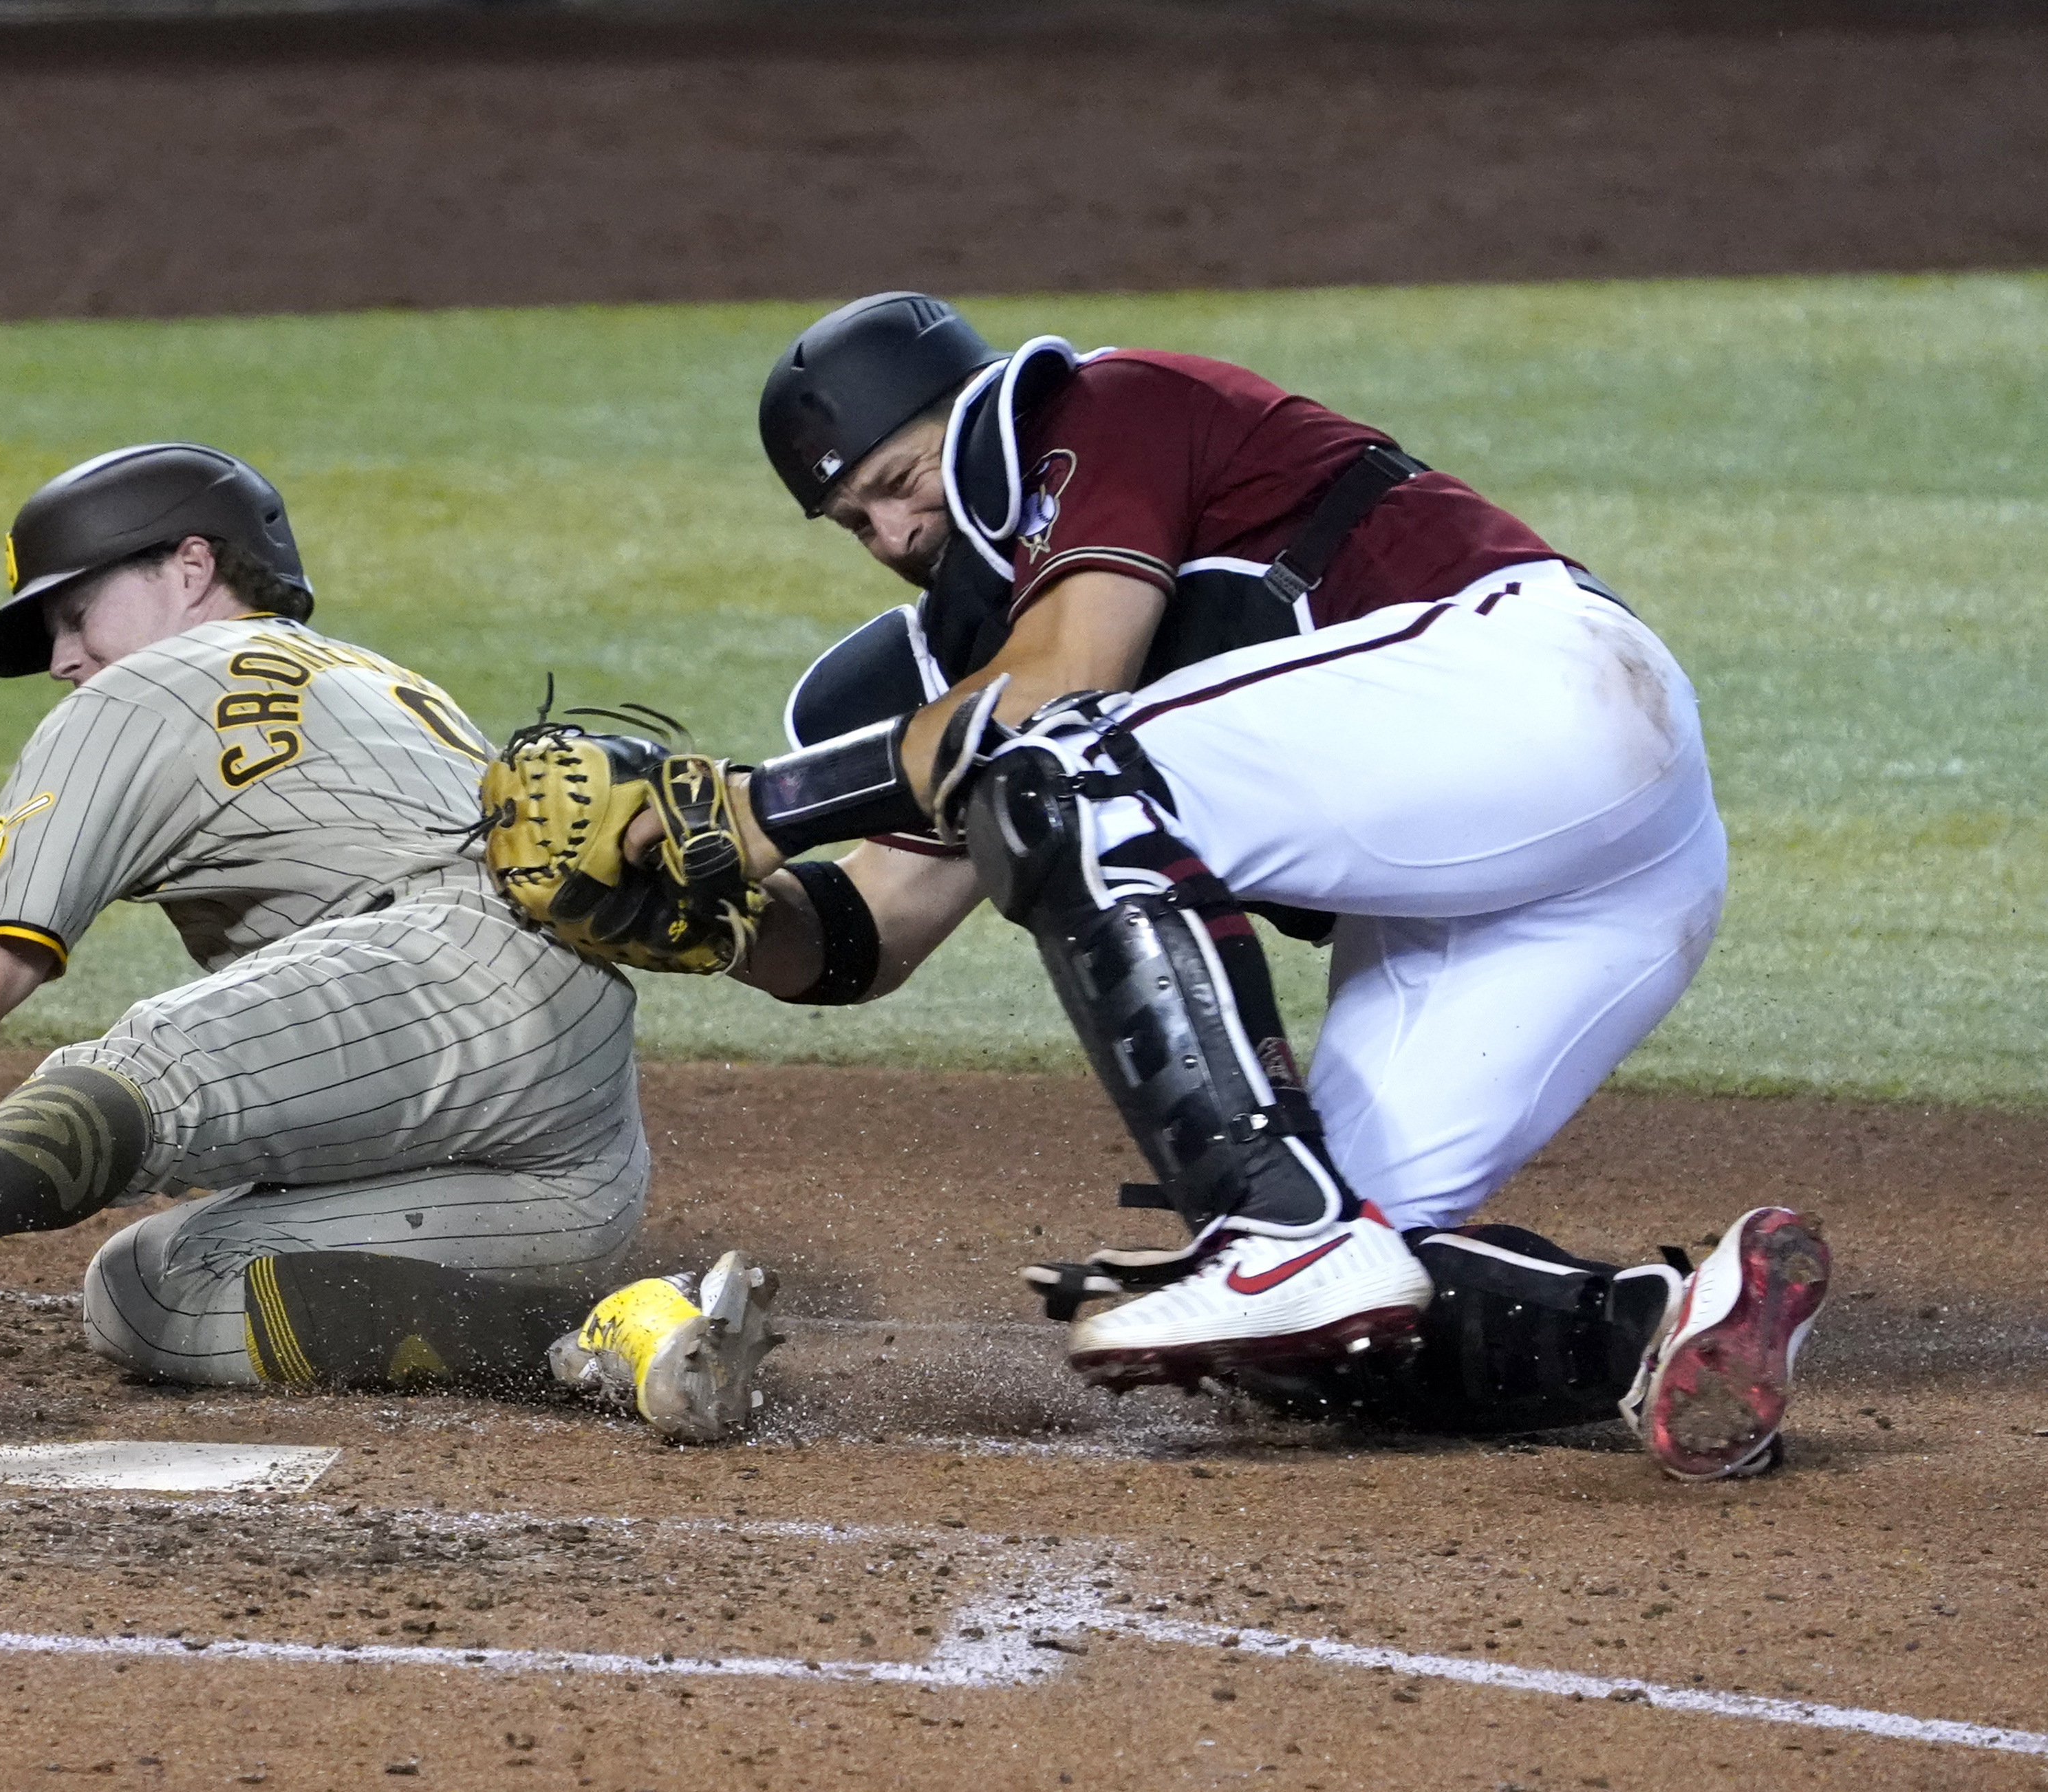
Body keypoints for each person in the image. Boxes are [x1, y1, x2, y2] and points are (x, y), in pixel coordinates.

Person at [645, 294, 1823, 1477]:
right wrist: (707, 922)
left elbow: (1065, 688)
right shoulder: (973, 671)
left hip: (1544, 695)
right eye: (856, 521)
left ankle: (1276, 1228)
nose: (895, 533)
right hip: (1579, 888)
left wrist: (754, 811)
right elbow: (869, 934)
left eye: (900, 479)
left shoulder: (1101, 413)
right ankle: (1668, 1323)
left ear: (965, 411)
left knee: (1054, 766)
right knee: (1320, 1331)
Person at [0, 442, 777, 1445]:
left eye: (73, 612)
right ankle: (622, 1326)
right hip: (577, 1144)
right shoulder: (373, 678)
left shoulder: (156, 684)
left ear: (190, 564)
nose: (62, 660)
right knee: (150, 1291)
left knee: (154, 1058)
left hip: (439, 981)